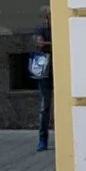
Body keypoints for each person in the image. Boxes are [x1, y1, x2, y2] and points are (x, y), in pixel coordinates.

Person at [28, 10, 54, 151]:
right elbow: (39, 42)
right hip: (45, 69)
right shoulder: (41, 29)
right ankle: (42, 139)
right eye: (47, 16)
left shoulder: (58, 25)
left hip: (58, 67)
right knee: (45, 106)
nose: (48, 19)